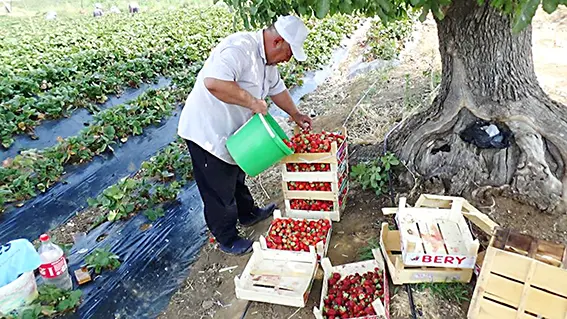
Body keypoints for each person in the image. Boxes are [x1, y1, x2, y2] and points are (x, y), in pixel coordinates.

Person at [177, 15, 313, 255]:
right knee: (219, 189)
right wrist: (252, 102)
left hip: (234, 132)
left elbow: (277, 89)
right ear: (278, 41)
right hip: (208, 132)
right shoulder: (239, 48)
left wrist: (296, 114)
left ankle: (248, 213)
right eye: (289, 53)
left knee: (236, 174)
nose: (287, 59)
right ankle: (227, 238)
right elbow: (213, 83)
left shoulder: (268, 63)